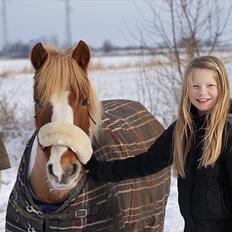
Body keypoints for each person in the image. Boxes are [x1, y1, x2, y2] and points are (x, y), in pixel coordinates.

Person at [83, 56, 232, 232]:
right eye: (195, 86)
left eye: (210, 86)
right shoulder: (182, 130)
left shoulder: (228, 131)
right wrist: (97, 168)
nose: (202, 93)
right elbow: (146, 163)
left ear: (222, 87)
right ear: (186, 89)